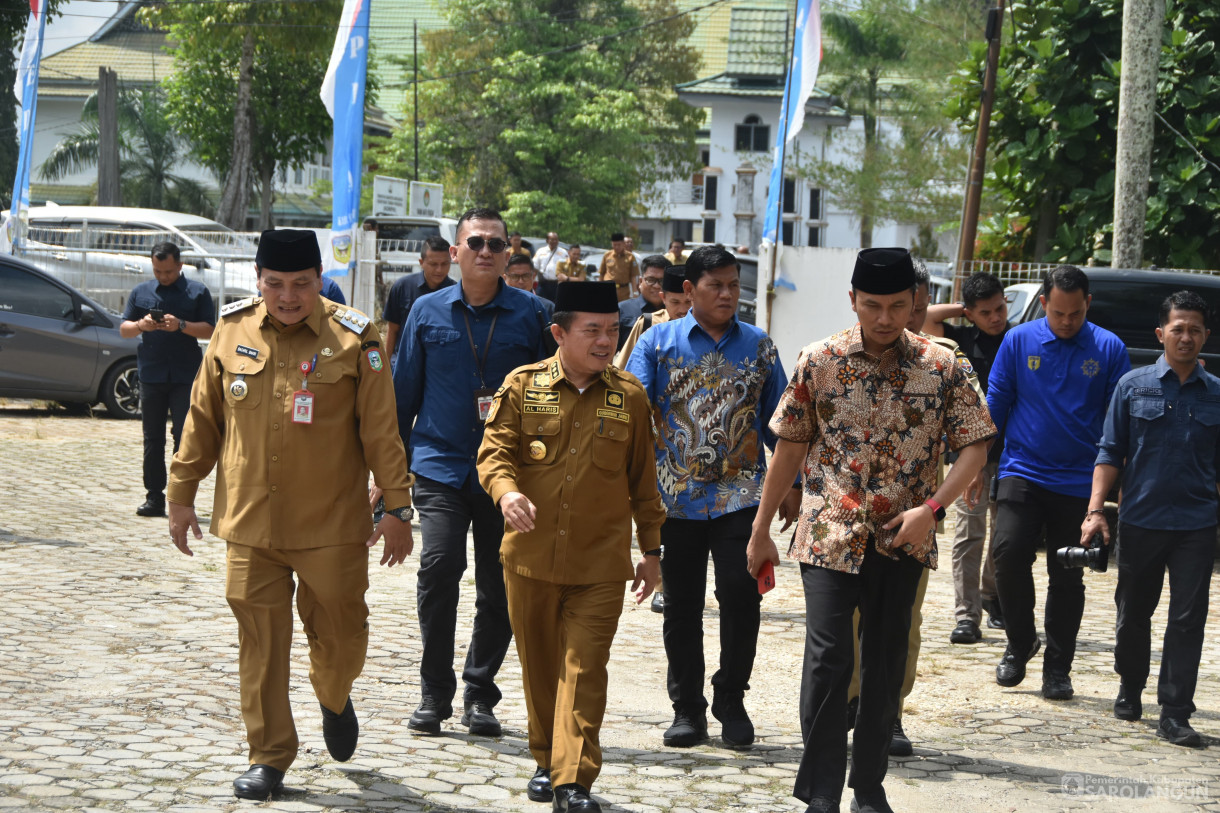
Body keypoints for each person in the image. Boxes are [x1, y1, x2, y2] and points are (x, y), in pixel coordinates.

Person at [165, 229, 415, 800]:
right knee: (259, 640)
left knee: (342, 632)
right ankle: (270, 754)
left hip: (331, 524)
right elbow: (201, 420)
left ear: (318, 279)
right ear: (258, 280)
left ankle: (333, 692)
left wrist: (398, 506)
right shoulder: (230, 330)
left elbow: (381, 430)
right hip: (251, 522)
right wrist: (180, 494)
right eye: (274, 284)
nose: (287, 297)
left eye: (300, 284)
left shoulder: (354, 336)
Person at [748, 247, 995, 813]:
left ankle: (869, 786)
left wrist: (931, 511)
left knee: (884, 665)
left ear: (916, 303)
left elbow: (975, 446)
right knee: (830, 659)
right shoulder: (820, 360)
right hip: (828, 533)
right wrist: (761, 529)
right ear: (853, 300)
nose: (885, 318)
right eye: (873, 305)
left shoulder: (944, 365)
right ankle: (821, 791)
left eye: (898, 306)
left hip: (903, 536)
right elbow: (789, 448)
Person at [477, 281, 666, 813]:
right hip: (529, 559)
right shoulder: (522, 385)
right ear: (559, 333)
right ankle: (545, 757)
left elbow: (643, 484)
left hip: (600, 565)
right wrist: (507, 491)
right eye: (593, 331)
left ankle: (573, 782)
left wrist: (651, 553)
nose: (606, 342)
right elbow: (493, 454)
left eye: (612, 331)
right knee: (540, 668)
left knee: (584, 669)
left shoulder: (628, 396)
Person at [625, 245, 795, 749]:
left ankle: (731, 697)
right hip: (673, 499)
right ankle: (688, 709)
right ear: (687, 290)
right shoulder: (657, 343)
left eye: (733, 285)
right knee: (680, 606)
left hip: (741, 497)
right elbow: (631, 413)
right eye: (715, 285)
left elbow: (783, 425)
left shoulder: (760, 347)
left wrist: (794, 487)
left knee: (741, 599)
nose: (727, 294)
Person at [392, 207, 549, 738]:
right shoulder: (425, 311)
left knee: (500, 584)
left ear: (509, 252)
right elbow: (402, 395)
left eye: (496, 245)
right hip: (439, 465)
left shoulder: (534, 314)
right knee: (438, 567)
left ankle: (480, 694)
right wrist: (386, 475)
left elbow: (556, 398)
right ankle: (434, 693)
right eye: (475, 243)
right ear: (455, 252)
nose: (485, 252)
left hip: (508, 474)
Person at [843, 260, 985, 758]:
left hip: (912, 518)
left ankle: (890, 713)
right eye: (885, 305)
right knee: (847, 622)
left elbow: (971, 440)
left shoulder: (944, 362)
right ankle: (850, 704)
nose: (901, 317)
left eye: (914, 307)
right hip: (845, 518)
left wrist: (939, 503)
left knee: (905, 620)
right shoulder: (836, 357)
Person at [986, 265, 1129, 699]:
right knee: (1007, 555)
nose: (1066, 322)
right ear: (1044, 303)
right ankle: (1020, 641)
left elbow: (1116, 423)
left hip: (1079, 482)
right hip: (1021, 469)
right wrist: (977, 466)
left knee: (1068, 575)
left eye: (1075, 313)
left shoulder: (1109, 348)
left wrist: (1110, 489)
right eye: (1058, 313)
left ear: (1087, 303)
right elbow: (996, 403)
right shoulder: (1018, 341)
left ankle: (1057, 668)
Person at [1085, 290, 1218, 748]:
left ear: (1206, 335)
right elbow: (1109, 452)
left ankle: (1176, 712)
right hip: (1141, 520)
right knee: (1132, 614)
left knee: (1188, 619)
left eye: (1195, 329)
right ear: (1161, 333)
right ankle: (1130, 685)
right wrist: (1095, 510)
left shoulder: (1217, 395)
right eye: (1178, 328)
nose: (1186, 337)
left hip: (1197, 526)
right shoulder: (1132, 385)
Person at [924, 271, 1011, 638]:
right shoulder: (959, 339)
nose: (996, 317)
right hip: (968, 455)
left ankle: (994, 598)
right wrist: (963, 308)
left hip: (1011, 454)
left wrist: (978, 306)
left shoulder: (1018, 338)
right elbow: (928, 316)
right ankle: (966, 615)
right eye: (986, 312)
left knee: (1004, 536)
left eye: (1000, 308)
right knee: (968, 533)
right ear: (970, 314)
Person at [119, 241, 216, 517]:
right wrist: (141, 324)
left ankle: (181, 496)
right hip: (151, 374)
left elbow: (211, 330)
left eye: (169, 271)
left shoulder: (197, 292)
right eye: (158, 271)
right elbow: (124, 329)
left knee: (184, 438)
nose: (163, 276)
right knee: (152, 438)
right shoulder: (141, 292)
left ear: (180, 266)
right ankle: (154, 497)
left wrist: (181, 325)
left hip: (186, 376)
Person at [382, 235, 455, 363]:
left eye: (444, 264)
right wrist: (385, 368)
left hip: (441, 366)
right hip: (404, 362)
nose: (439, 270)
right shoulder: (402, 287)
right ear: (421, 263)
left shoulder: (456, 292)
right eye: (433, 264)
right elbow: (392, 330)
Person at [614, 265, 690, 368]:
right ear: (663, 298)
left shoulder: (709, 326)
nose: (682, 309)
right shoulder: (647, 323)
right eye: (675, 302)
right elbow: (623, 369)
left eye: (688, 302)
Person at [616, 255, 668, 349]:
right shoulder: (623, 310)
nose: (656, 286)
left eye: (662, 281)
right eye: (651, 280)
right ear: (640, 281)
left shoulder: (678, 312)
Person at [505, 253, 555, 319]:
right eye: (515, 276)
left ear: (533, 277)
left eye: (525, 276)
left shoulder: (547, 307)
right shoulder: (497, 306)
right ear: (504, 278)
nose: (521, 281)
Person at [599, 232, 639, 302]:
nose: (616, 247)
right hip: (608, 289)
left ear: (623, 244)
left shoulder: (630, 257)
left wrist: (635, 292)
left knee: (623, 311)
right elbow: (602, 273)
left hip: (624, 292)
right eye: (614, 245)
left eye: (619, 245)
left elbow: (633, 276)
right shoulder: (607, 255)